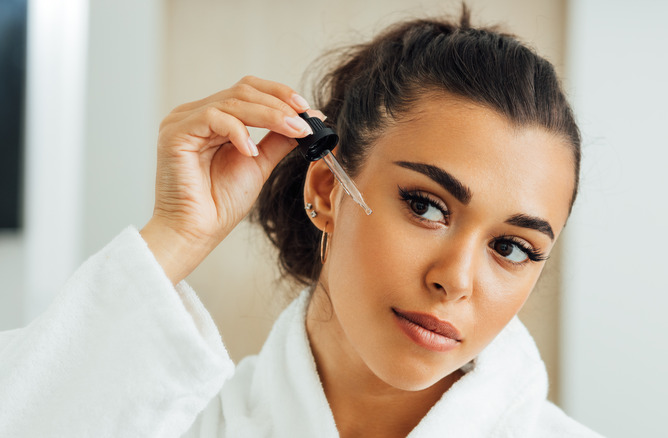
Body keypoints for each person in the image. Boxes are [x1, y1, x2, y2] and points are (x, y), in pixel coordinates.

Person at [0, 8, 604, 438]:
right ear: (326, 190)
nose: (457, 279)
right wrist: (176, 236)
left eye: (512, 247)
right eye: (425, 206)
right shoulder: (173, 421)